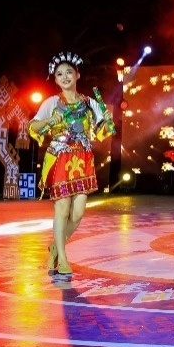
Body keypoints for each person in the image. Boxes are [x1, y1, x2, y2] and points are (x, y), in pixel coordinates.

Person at [28, 51, 114, 276]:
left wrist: (107, 122)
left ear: (77, 75)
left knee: (77, 214)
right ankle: (63, 259)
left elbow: (102, 131)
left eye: (69, 72)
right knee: (62, 209)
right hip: (60, 158)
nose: (65, 77)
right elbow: (33, 127)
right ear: (56, 80)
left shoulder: (90, 103)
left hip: (82, 159)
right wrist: (49, 120)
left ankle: (56, 247)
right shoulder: (52, 103)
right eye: (59, 74)